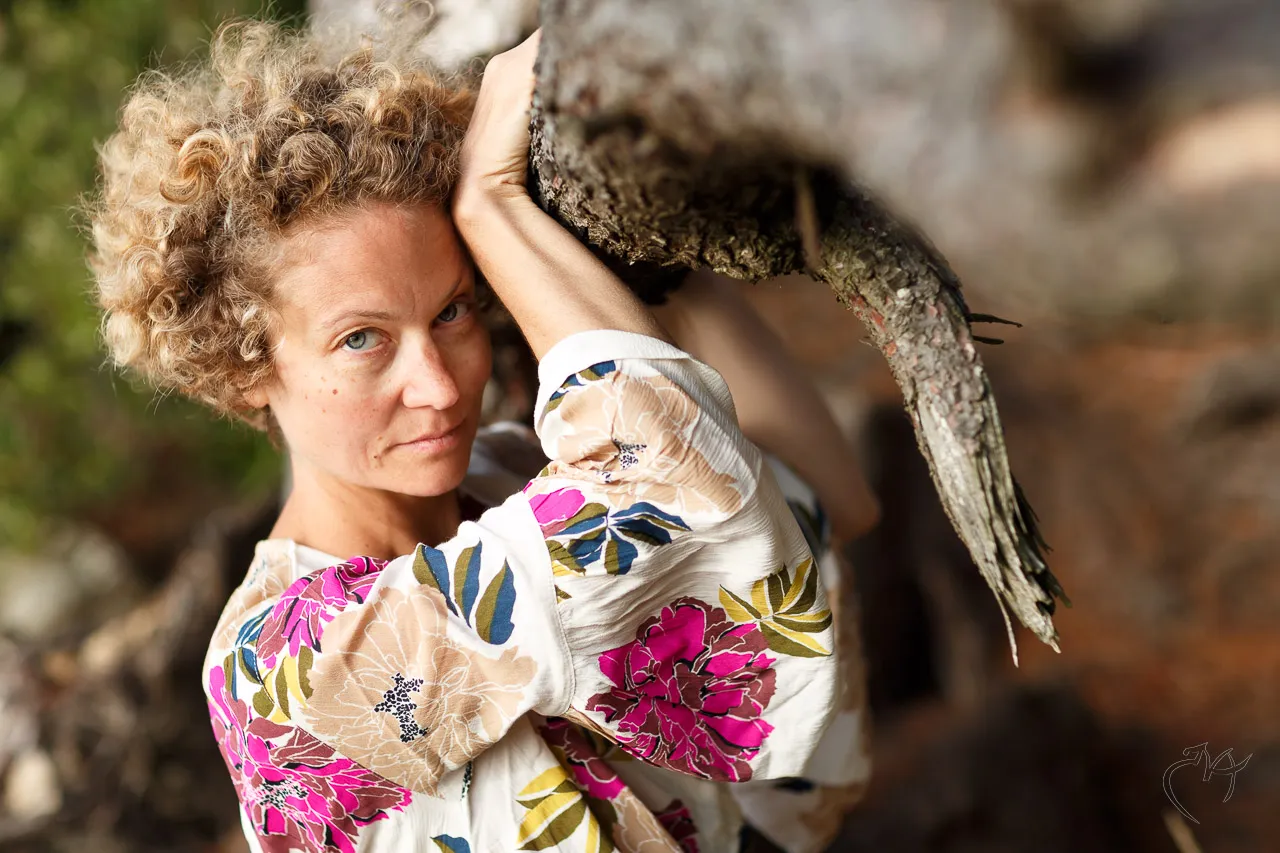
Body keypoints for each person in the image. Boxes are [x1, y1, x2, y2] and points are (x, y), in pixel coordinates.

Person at [88, 19, 867, 853]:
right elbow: (683, 481)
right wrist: (490, 205)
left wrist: (649, 254)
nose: (440, 385)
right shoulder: (281, 673)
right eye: (362, 338)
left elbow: (822, 500)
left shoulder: (513, 472)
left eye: (451, 310)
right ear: (242, 364)